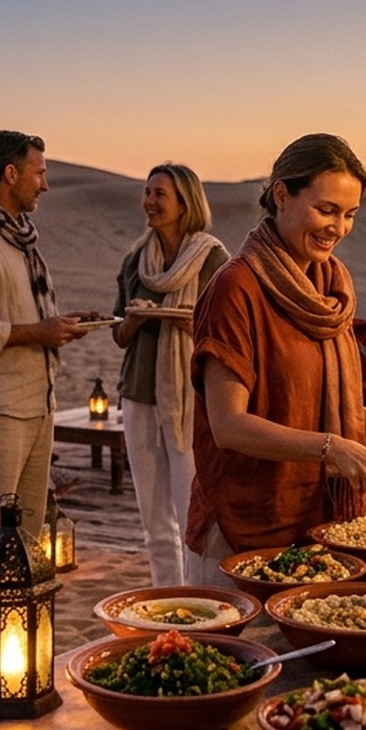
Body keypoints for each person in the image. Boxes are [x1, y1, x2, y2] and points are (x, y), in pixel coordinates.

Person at [185, 133, 366, 584]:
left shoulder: (329, 287)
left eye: (349, 215)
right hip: (244, 531)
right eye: (325, 210)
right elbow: (229, 425)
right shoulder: (236, 288)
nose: (338, 228)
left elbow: (316, 410)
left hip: (319, 528)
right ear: (281, 195)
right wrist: (331, 448)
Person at [0, 130, 97, 661]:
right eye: (39, 172)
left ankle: (19, 651)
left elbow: (22, 317)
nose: (45, 184)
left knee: (29, 535)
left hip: (37, 401)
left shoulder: (19, 238)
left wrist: (58, 327)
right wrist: (39, 333)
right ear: (11, 174)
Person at [110, 163, 228, 586]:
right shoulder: (134, 261)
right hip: (139, 393)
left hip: (189, 396)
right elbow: (119, 334)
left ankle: (198, 594)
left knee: (191, 508)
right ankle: (166, 598)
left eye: (160, 194)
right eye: (147, 193)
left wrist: (189, 323)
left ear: (185, 202)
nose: (150, 202)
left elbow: (226, 330)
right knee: (153, 514)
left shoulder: (212, 258)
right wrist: (137, 320)